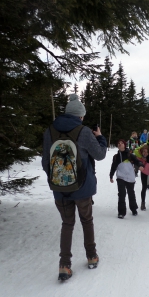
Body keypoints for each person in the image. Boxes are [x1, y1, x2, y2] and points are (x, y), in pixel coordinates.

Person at [42, 94, 107, 280]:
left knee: (67, 224)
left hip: (59, 189)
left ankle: (64, 265)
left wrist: (56, 180)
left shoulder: (49, 131)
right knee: (87, 220)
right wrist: (100, 137)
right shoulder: (84, 131)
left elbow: (45, 161)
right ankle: (91, 256)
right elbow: (101, 154)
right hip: (82, 187)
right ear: (80, 116)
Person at [109, 139, 144, 219]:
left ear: (125, 145)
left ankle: (134, 209)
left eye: (121, 143)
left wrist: (140, 165)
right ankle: (121, 212)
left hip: (130, 177)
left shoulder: (130, 155)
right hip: (120, 177)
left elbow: (137, 161)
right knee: (121, 194)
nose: (120, 144)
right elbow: (113, 167)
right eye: (118, 143)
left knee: (131, 193)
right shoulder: (116, 157)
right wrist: (111, 176)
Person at [137, 144, 149, 210]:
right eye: (144, 151)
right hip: (144, 172)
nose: (145, 153)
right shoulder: (139, 157)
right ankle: (143, 203)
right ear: (142, 152)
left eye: (147, 152)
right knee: (144, 187)